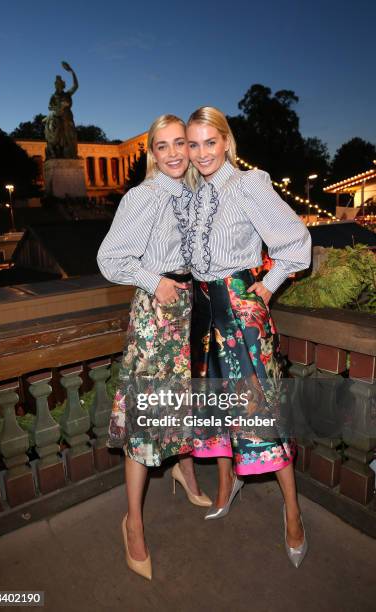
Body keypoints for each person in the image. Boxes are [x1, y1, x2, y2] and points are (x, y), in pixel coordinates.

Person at [185, 106, 311, 568]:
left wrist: (266, 287)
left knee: (263, 414)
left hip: (239, 313)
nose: (201, 153)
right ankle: (226, 484)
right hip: (203, 317)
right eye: (193, 144)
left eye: (209, 142)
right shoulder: (192, 195)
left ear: (226, 141)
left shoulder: (248, 185)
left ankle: (293, 513)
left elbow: (296, 241)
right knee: (217, 406)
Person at [97, 114, 211, 581]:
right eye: (161, 146)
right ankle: (134, 523)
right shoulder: (142, 197)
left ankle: (184, 470)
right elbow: (109, 258)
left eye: (179, 143)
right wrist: (153, 280)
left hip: (190, 309)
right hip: (157, 314)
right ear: (152, 153)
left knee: (182, 399)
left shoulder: (197, 194)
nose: (173, 153)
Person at [45, 61, 78, 159]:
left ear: (63, 85)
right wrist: (59, 108)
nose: (58, 85)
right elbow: (50, 107)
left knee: (72, 135)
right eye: (56, 84)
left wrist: (72, 72)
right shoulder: (53, 96)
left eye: (59, 84)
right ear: (55, 85)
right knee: (56, 131)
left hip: (68, 117)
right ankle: (56, 150)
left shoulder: (67, 94)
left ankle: (71, 154)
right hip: (58, 116)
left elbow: (76, 86)